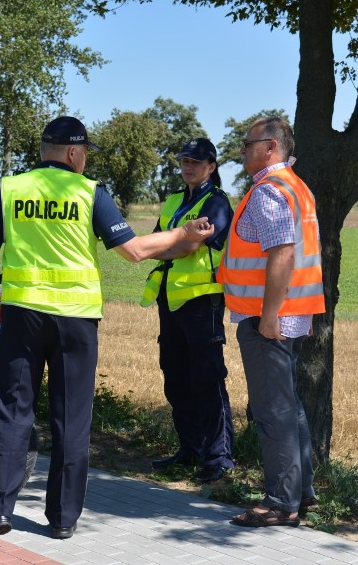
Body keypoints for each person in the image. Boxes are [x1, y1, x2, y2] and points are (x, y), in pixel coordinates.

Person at [0, 116, 216, 542]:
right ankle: (62, 518)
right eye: (84, 154)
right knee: (71, 418)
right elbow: (134, 251)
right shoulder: (89, 192)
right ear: (73, 152)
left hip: (23, 315)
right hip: (76, 321)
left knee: (12, 414)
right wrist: (184, 233)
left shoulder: (10, 189)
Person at [217, 117, 325, 528]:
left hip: (268, 319)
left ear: (271, 147)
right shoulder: (297, 187)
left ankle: (280, 503)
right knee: (290, 406)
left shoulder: (268, 192)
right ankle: (302, 492)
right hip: (292, 314)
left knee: (272, 409)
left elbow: (282, 254)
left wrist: (269, 316)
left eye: (248, 143)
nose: (242, 149)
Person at [142, 138, 235, 483]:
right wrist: (168, 245)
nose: (189, 166)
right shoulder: (174, 201)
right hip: (170, 298)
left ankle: (219, 457)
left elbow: (190, 245)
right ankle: (191, 449)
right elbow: (157, 245)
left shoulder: (218, 202)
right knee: (175, 375)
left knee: (207, 378)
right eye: (184, 160)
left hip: (202, 301)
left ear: (211, 167)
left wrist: (167, 245)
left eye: (197, 161)